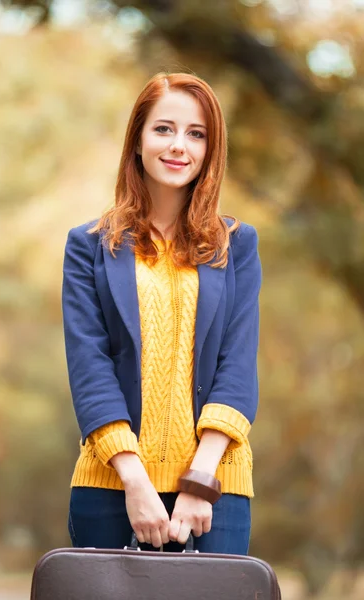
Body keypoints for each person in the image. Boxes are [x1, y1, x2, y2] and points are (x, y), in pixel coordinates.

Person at [62, 71, 262, 555]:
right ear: (137, 140)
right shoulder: (89, 246)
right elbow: (90, 367)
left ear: (211, 150)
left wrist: (199, 480)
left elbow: (237, 365)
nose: (179, 146)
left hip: (215, 489)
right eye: (164, 129)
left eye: (197, 134)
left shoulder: (237, 246)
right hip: (111, 485)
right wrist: (134, 480)